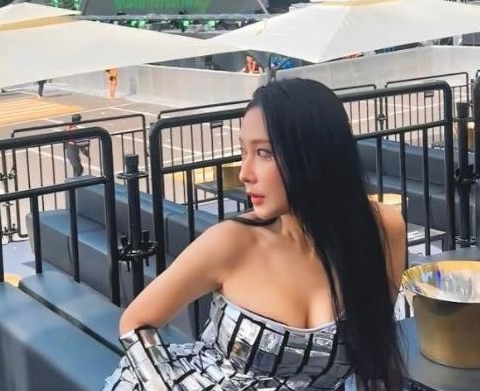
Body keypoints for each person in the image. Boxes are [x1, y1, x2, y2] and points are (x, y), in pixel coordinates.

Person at [104, 79, 406, 390]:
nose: (245, 173)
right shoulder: (232, 241)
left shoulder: (381, 229)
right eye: (243, 151)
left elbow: (378, 353)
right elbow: (135, 324)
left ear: (317, 154)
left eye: (264, 153)